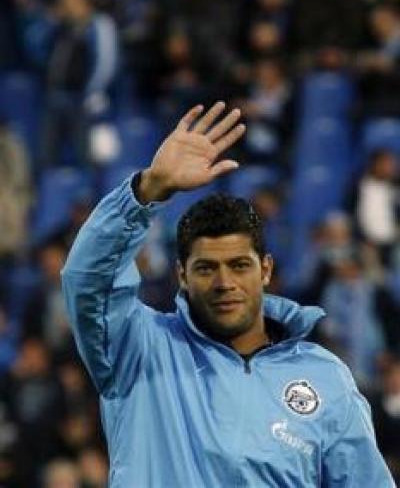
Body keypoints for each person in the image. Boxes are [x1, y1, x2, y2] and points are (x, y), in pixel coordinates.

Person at [62, 102, 395, 486]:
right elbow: (87, 282)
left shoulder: (324, 377)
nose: (224, 282)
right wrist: (144, 192)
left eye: (239, 265)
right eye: (206, 268)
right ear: (182, 275)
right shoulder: (138, 350)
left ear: (266, 269)